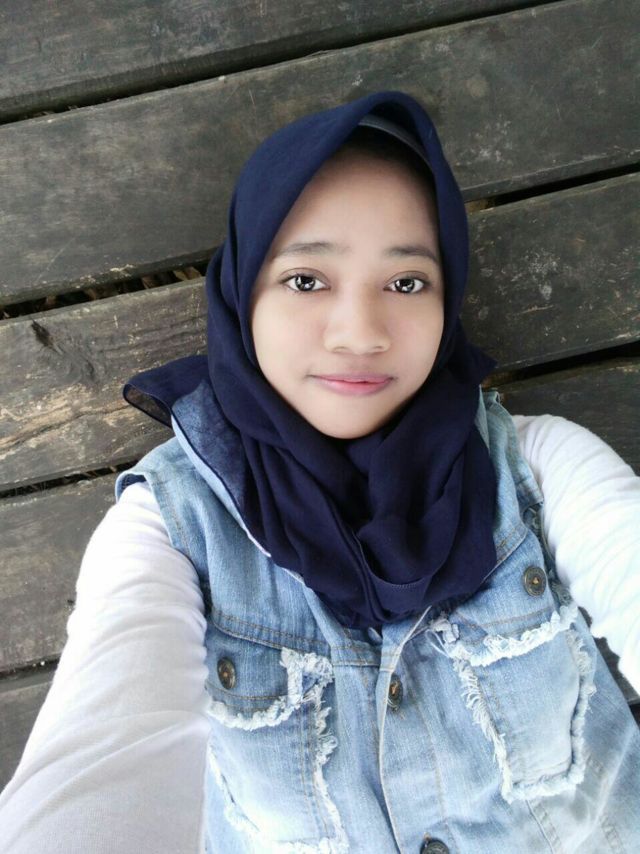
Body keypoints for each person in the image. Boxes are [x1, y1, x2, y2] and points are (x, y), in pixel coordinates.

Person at [1, 90, 638, 853]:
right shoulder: (168, 530)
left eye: (407, 282)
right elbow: (101, 753)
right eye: (306, 279)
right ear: (243, 293)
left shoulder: (543, 473)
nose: (360, 333)